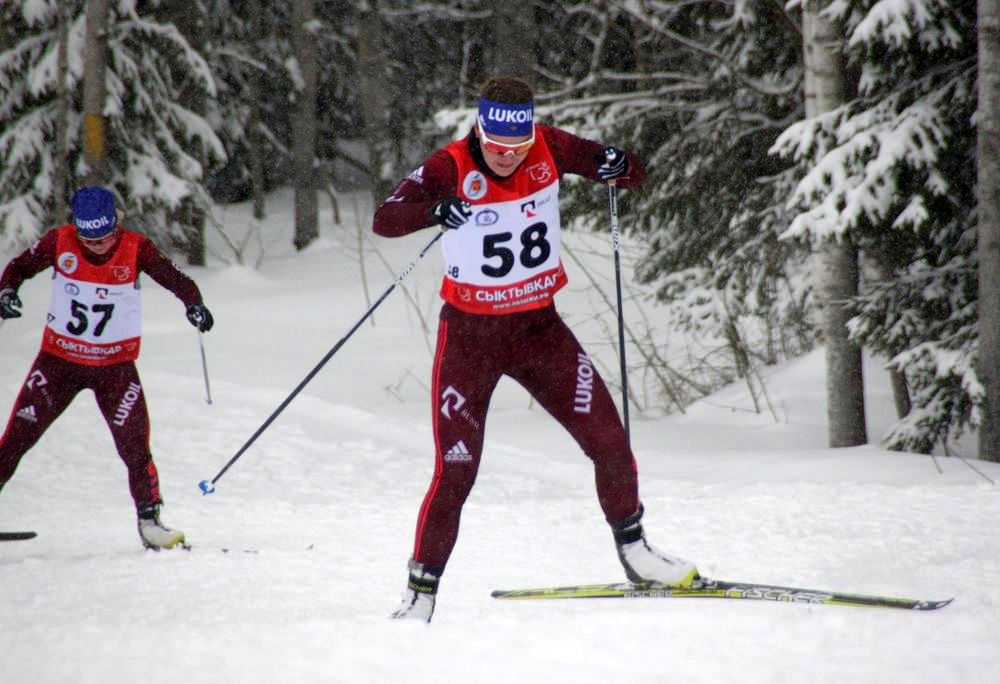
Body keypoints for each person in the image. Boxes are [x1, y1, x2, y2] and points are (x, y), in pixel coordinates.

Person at [373, 76, 698, 622]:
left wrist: (619, 164)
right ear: (481, 132)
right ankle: (420, 594)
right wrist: (436, 210)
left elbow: (624, 168)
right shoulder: (449, 165)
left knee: (610, 440)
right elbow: (386, 220)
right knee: (456, 470)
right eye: (497, 148)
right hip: (470, 341)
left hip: (539, 333)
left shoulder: (550, 145)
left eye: (517, 149)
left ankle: (638, 552)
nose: (507, 158)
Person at [0, 186, 214, 550]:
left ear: (116, 223)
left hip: (115, 368)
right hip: (59, 364)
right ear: (76, 228)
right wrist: (7, 293)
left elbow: (178, 279)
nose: (97, 245)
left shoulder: (136, 247)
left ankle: (150, 522)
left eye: (104, 237)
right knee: (18, 438)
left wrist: (194, 304)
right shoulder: (59, 242)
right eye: (89, 238)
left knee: (135, 446)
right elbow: (17, 269)